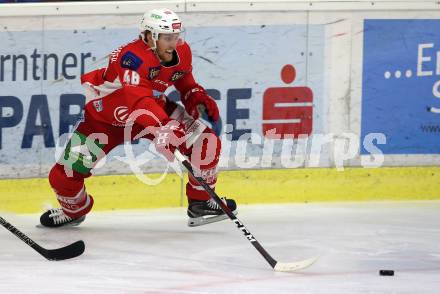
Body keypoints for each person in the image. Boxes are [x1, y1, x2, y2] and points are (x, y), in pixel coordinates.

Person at [39, 8, 237, 228]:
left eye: (175, 36)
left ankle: (200, 203)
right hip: (106, 120)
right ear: (149, 36)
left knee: (206, 142)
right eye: (167, 37)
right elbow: (139, 101)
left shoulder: (181, 51)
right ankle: (73, 211)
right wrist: (163, 127)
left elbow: (183, 79)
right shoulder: (131, 57)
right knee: (63, 176)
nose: (174, 42)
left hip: (155, 111)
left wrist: (194, 95)